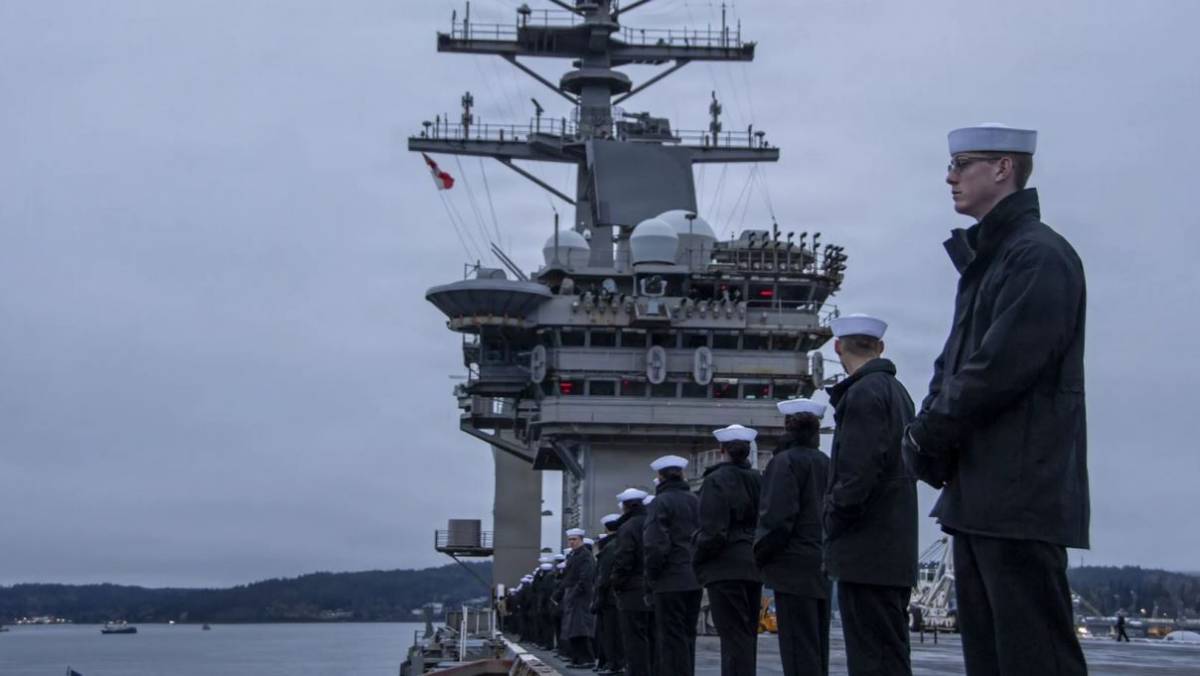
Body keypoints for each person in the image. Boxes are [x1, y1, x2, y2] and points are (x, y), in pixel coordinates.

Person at [904, 123, 1088, 676]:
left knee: (1034, 659)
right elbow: (953, 364)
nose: (950, 175)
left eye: (963, 163)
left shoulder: (1037, 257)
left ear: (1004, 169)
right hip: (983, 493)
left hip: (1018, 493)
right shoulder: (992, 260)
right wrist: (926, 430)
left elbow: (998, 368)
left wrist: (926, 433)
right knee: (992, 660)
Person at [824, 313, 918, 676]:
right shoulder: (898, 392)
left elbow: (857, 474)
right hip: (893, 548)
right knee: (891, 654)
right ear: (880, 347)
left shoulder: (862, 394)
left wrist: (832, 518)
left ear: (837, 347)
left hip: (865, 551)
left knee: (869, 657)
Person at [756, 399, 831, 676]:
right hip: (822, 564)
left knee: (798, 649)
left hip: (792, 567)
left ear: (787, 427)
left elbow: (777, 519)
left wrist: (760, 556)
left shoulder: (783, 462)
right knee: (817, 645)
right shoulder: (826, 463)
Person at [694, 424, 763, 676]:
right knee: (747, 634)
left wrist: (698, 560)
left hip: (724, 566)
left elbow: (713, 531)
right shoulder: (758, 479)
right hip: (753, 565)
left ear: (721, 449)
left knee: (731, 636)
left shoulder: (715, 481)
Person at [644, 454, 702, 676]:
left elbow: (655, 544)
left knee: (670, 638)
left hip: (669, 579)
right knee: (688, 636)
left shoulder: (660, 502)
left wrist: (652, 577)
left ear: (660, 477)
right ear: (682, 474)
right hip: (694, 578)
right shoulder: (695, 500)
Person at [610, 487, 654, 676]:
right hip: (653, 587)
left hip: (632, 591)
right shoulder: (652, 522)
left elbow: (623, 560)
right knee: (653, 638)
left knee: (634, 640)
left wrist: (616, 582)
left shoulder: (627, 527)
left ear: (625, 508)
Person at [558, 528, 597, 668]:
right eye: (570, 539)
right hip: (573, 594)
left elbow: (585, 577)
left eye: (574, 539)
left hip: (581, 596)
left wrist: (575, 593)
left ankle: (587, 659)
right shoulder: (574, 555)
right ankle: (577, 658)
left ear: (581, 540)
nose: (571, 542)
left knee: (580, 628)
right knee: (572, 629)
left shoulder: (585, 556)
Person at [593, 515, 626, 675]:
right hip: (618, 595)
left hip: (610, 597)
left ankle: (614, 664)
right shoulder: (619, 543)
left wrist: (598, 596)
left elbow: (603, 576)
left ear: (606, 529)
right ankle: (614, 663)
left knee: (611, 633)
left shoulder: (609, 547)